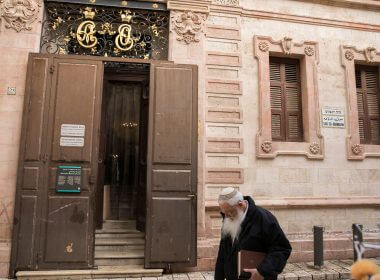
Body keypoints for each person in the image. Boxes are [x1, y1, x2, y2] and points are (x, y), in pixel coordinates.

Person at [214, 187, 292, 280]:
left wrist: (262, 271)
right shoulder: (228, 218)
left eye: (230, 212)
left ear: (241, 205)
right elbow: (223, 252)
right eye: (224, 212)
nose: (226, 216)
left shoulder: (264, 218)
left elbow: (282, 249)